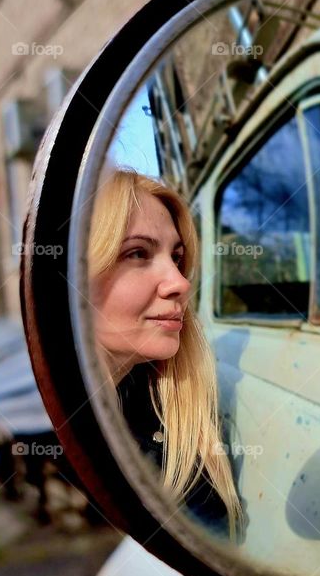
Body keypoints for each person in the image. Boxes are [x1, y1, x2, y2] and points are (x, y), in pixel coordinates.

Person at [87, 165, 243, 540]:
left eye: (176, 257)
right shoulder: (68, 442)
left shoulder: (179, 409)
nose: (180, 282)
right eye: (137, 253)